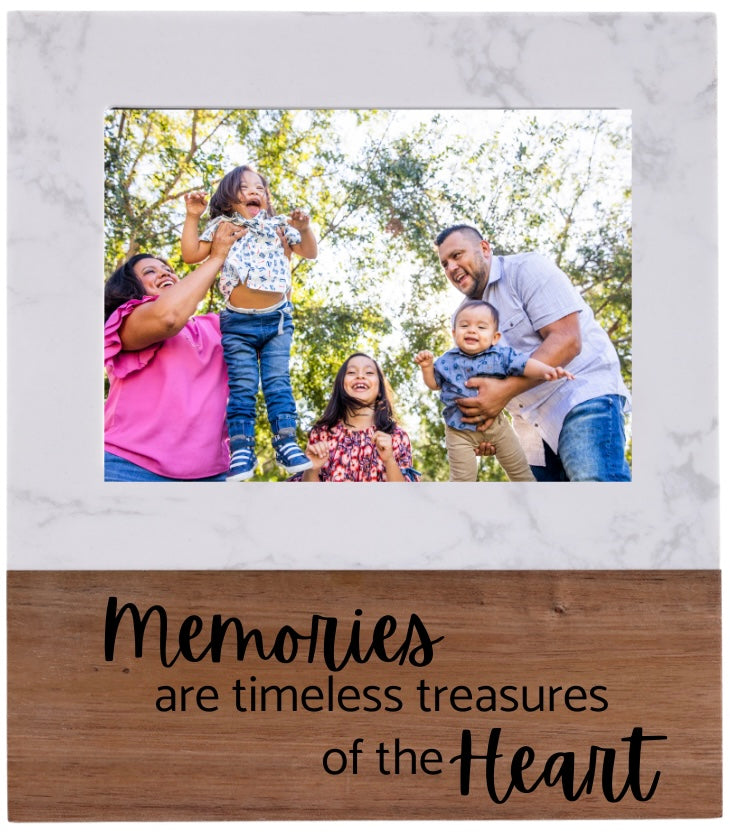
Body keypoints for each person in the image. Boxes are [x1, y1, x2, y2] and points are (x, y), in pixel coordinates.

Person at [435, 224, 631, 482]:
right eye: (444, 264)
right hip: (530, 431)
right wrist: (480, 429)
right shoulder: (462, 318)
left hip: (579, 395)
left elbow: (567, 340)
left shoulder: (526, 269)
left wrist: (502, 393)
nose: (451, 268)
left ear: (484, 248)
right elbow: (480, 387)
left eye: (457, 255)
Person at [181, 165, 318, 481]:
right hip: (237, 325)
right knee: (242, 387)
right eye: (245, 187)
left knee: (277, 382)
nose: (255, 191)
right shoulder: (222, 226)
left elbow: (308, 253)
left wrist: (305, 228)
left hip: (277, 321)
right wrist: (192, 216)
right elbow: (190, 254)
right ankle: (241, 448)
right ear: (229, 198)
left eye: (260, 187)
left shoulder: (279, 226)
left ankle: (286, 440)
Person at [104, 222, 245, 481]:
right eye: (150, 271)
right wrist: (217, 256)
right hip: (130, 467)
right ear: (131, 286)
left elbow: (268, 320)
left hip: (209, 476)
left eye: (168, 270)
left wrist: (279, 253)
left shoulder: (214, 326)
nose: (165, 273)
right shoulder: (125, 320)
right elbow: (168, 317)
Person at [415, 299, 573, 482]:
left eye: (481, 327)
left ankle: (532, 505)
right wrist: (427, 368)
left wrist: (548, 371)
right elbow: (434, 384)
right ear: (454, 333)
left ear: (495, 337)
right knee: (462, 479)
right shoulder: (446, 361)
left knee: (521, 473)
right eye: (464, 325)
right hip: (459, 432)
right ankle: (456, 508)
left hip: (497, 428)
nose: (472, 330)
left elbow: (525, 364)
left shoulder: (500, 356)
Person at [295, 353, 420, 482]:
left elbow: (403, 497)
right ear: (341, 386)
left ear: (380, 389)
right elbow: (310, 498)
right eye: (351, 372)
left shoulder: (396, 436)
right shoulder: (322, 434)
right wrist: (312, 469)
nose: (360, 376)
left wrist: (389, 460)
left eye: (369, 372)